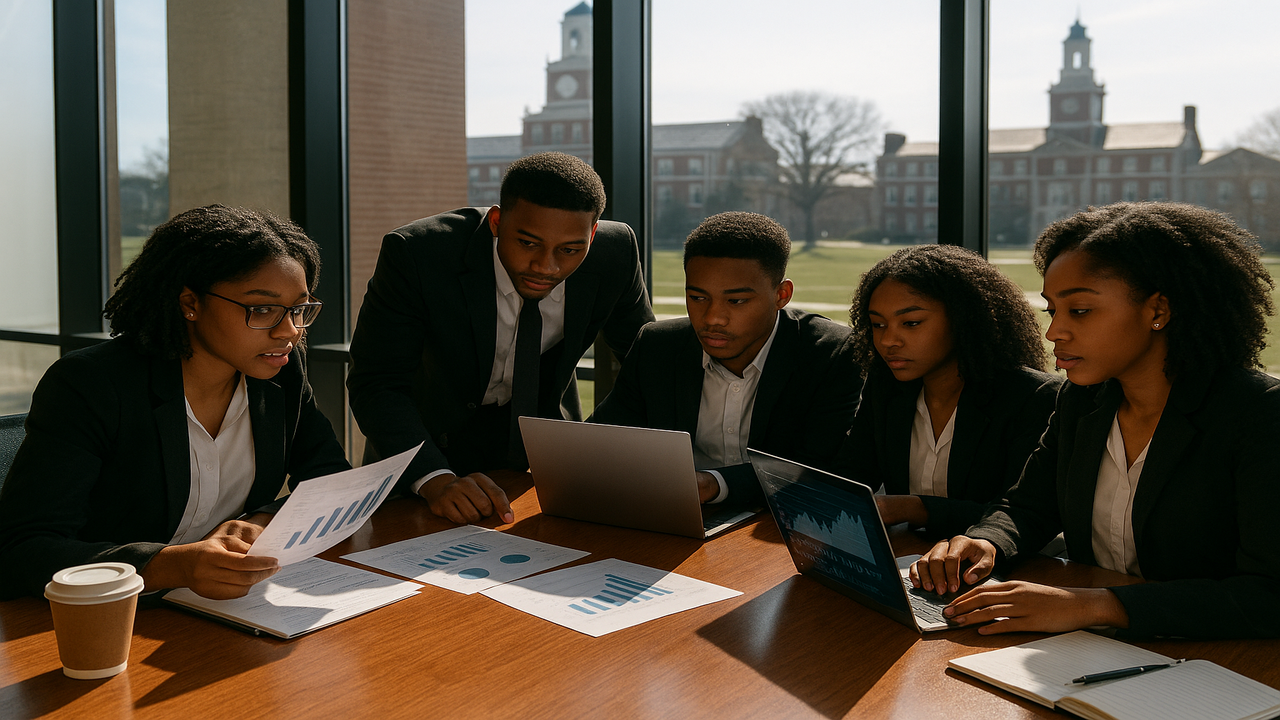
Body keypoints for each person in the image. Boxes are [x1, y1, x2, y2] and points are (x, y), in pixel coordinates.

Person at [910, 202, 1280, 639]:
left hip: (1221, 663)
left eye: (1080, 310)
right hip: (1093, 647)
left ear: (1157, 310)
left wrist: (1097, 605)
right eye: (1051, 311)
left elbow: (1268, 595)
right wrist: (987, 541)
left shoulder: (1260, 413)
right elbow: (1028, 507)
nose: (1054, 333)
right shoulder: (1083, 399)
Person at [0, 205, 350, 601]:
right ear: (191, 303)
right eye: (262, 309)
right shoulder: (92, 384)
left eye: (299, 309)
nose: (288, 331)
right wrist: (173, 565)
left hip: (224, 610)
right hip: (97, 620)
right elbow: (23, 548)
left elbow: (331, 480)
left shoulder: (280, 370)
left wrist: (259, 521)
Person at [347, 152, 653, 525]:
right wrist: (433, 479)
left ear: (592, 234)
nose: (547, 266)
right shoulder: (418, 253)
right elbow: (377, 383)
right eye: (528, 244)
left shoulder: (614, 252)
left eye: (570, 250)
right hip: (423, 450)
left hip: (539, 458)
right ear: (496, 221)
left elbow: (647, 363)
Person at [589, 212, 860, 504]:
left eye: (736, 301)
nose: (713, 318)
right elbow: (601, 442)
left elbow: (819, 469)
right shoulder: (657, 345)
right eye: (698, 297)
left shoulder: (832, 353)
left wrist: (713, 484)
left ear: (782, 294)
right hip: (676, 519)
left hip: (781, 526)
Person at [833, 244, 1061, 537]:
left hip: (1003, 568)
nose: (889, 340)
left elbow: (1022, 514)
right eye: (878, 324)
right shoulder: (887, 385)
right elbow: (850, 475)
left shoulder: (1034, 397)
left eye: (911, 323)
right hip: (910, 557)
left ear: (964, 319)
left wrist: (915, 508)